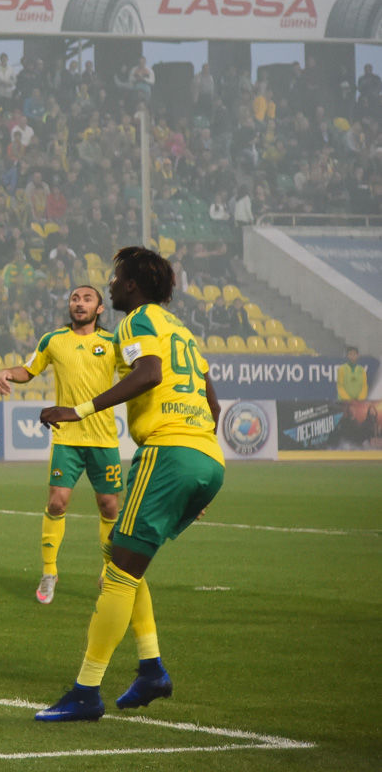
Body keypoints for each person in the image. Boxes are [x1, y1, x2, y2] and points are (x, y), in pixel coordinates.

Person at [36, 247, 225, 721]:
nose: (111, 285)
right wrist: (194, 471)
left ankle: (86, 692)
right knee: (125, 560)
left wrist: (78, 410)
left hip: (168, 453)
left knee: (118, 573)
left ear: (133, 285)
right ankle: (150, 668)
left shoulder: (137, 320)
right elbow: (213, 404)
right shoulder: (180, 329)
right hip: (206, 459)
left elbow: (149, 374)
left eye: (116, 278)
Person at [0, 286, 122, 603]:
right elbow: (29, 370)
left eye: (87, 299)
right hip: (67, 438)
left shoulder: (113, 343)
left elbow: (135, 376)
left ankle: (109, 570)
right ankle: (49, 572)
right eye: (75, 299)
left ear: (100, 309)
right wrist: (8, 373)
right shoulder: (53, 340)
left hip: (104, 438)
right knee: (56, 503)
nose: (79, 304)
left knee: (109, 507)